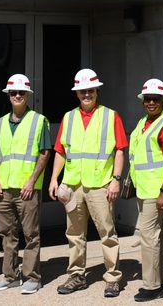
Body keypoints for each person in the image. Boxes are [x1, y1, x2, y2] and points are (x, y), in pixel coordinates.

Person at [48, 68, 128, 298]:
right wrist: (54, 178)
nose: (87, 94)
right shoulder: (68, 117)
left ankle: (112, 277)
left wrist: (116, 180)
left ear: (97, 91)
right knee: (74, 233)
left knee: (107, 232)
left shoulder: (110, 116)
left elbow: (120, 150)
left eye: (90, 90)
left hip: (101, 184)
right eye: (83, 91)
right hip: (73, 185)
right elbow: (60, 151)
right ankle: (76, 275)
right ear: (77, 93)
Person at [0, 74, 51, 295]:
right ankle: (10, 277)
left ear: (27, 96)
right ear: (8, 95)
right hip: (4, 188)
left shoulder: (38, 120)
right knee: (7, 234)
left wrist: (32, 181)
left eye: (21, 93)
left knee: (31, 235)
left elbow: (45, 153)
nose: (17, 95)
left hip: (28, 189)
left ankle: (32, 278)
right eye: (13, 92)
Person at [129, 78, 163, 303]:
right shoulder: (144, 123)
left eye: (155, 99)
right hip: (145, 188)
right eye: (147, 99)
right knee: (156, 235)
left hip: (156, 190)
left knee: (148, 237)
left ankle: (151, 286)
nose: (151, 102)